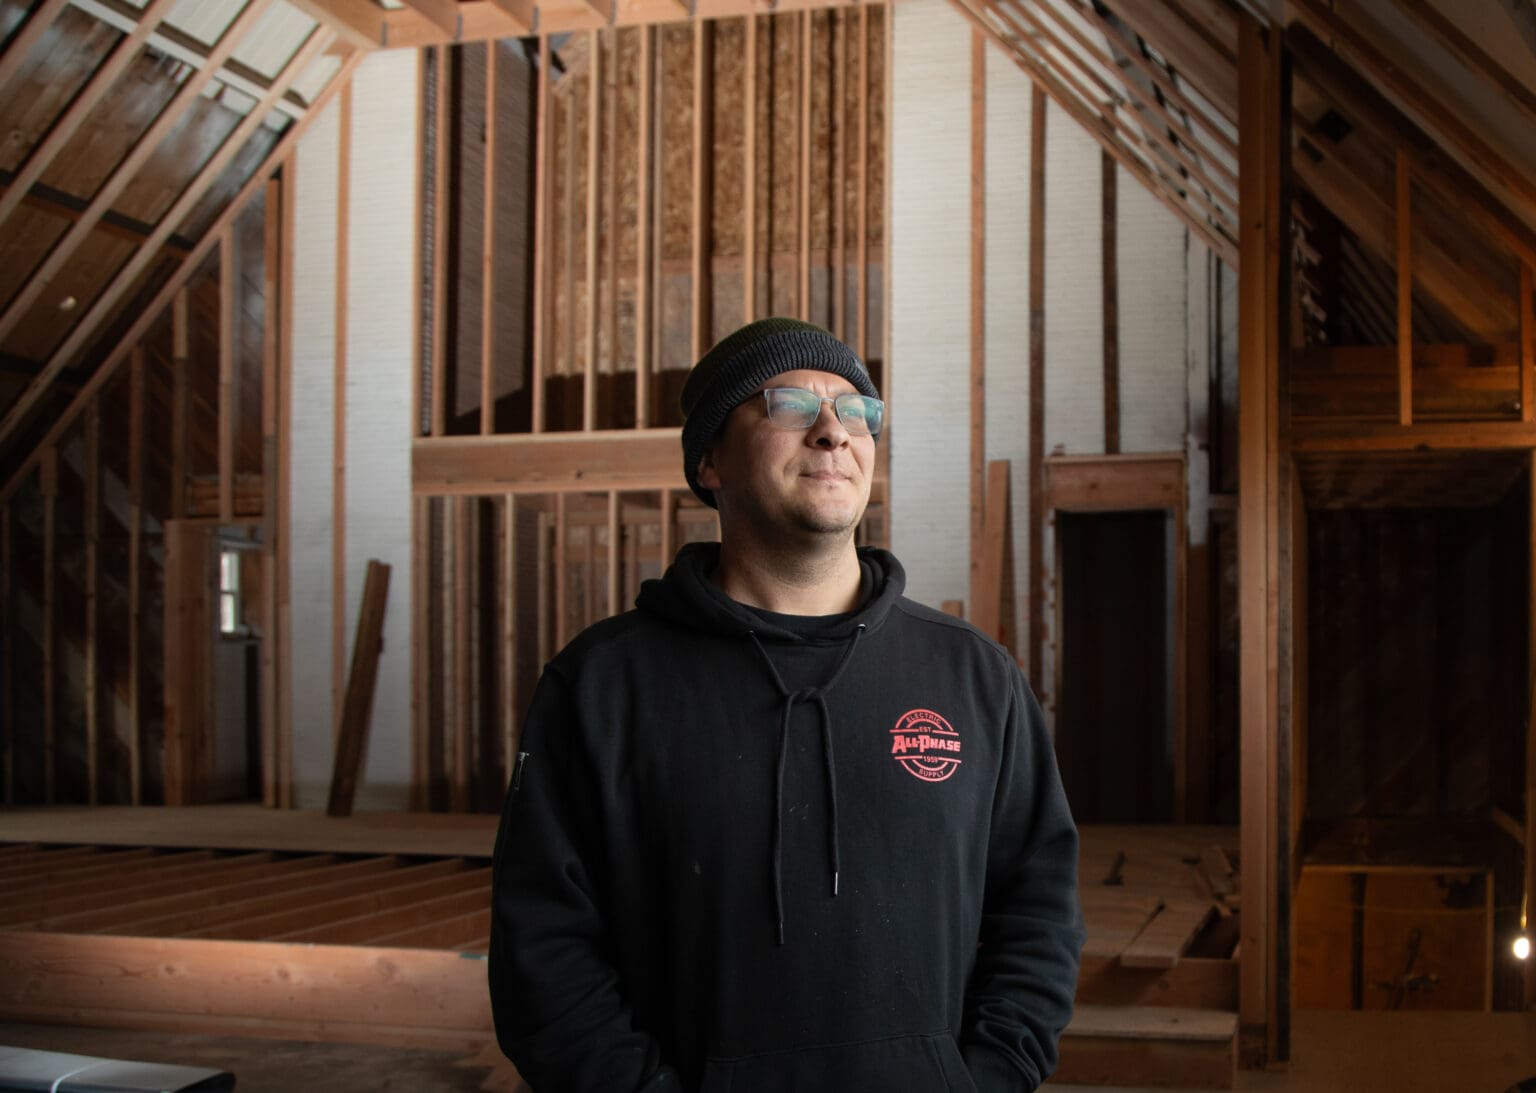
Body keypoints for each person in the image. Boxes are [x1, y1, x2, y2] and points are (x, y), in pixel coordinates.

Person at [489, 317, 1084, 1092]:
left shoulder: (974, 679)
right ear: (710, 459)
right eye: (791, 405)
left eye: (859, 411)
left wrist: (985, 1078)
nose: (835, 431)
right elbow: (544, 950)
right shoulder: (602, 686)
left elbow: (1037, 912)